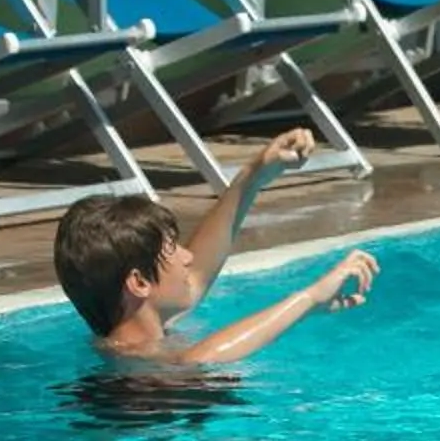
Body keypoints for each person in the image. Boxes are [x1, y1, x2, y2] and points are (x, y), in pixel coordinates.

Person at [53, 127, 379, 364]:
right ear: (138, 283)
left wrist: (254, 174)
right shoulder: (131, 366)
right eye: (173, 249)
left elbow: (196, 273)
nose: (188, 255)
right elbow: (197, 359)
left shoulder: (147, 329)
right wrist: (307, 298)